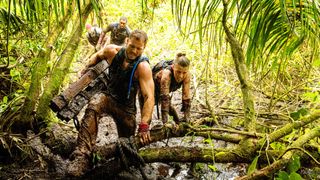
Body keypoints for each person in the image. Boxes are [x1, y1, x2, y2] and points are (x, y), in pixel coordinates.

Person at [68, 29, 154, 176]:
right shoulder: (112, 51)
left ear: (144, 48)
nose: (134, 51)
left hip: (126, 109)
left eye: (138, 48)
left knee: (127, 145)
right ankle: (81, 156)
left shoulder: (142, 67)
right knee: (95, 103)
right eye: (132, 46)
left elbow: (149, 97)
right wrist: (85, 70)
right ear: (127, 41)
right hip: (108, 98)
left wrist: (144, 124)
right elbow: (97, 56)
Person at [153, 53, 191, 125]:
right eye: (178, 72)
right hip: (150, 88)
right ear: (173, 67)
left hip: (164, 93)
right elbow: (165, 99)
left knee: (172, 112)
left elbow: (186, 97)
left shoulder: (187, 75)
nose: (181, 76)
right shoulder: (167, 74)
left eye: (184, 72)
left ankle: (178, 123)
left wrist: (187, 119)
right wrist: (165, 123)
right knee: (148, 108)